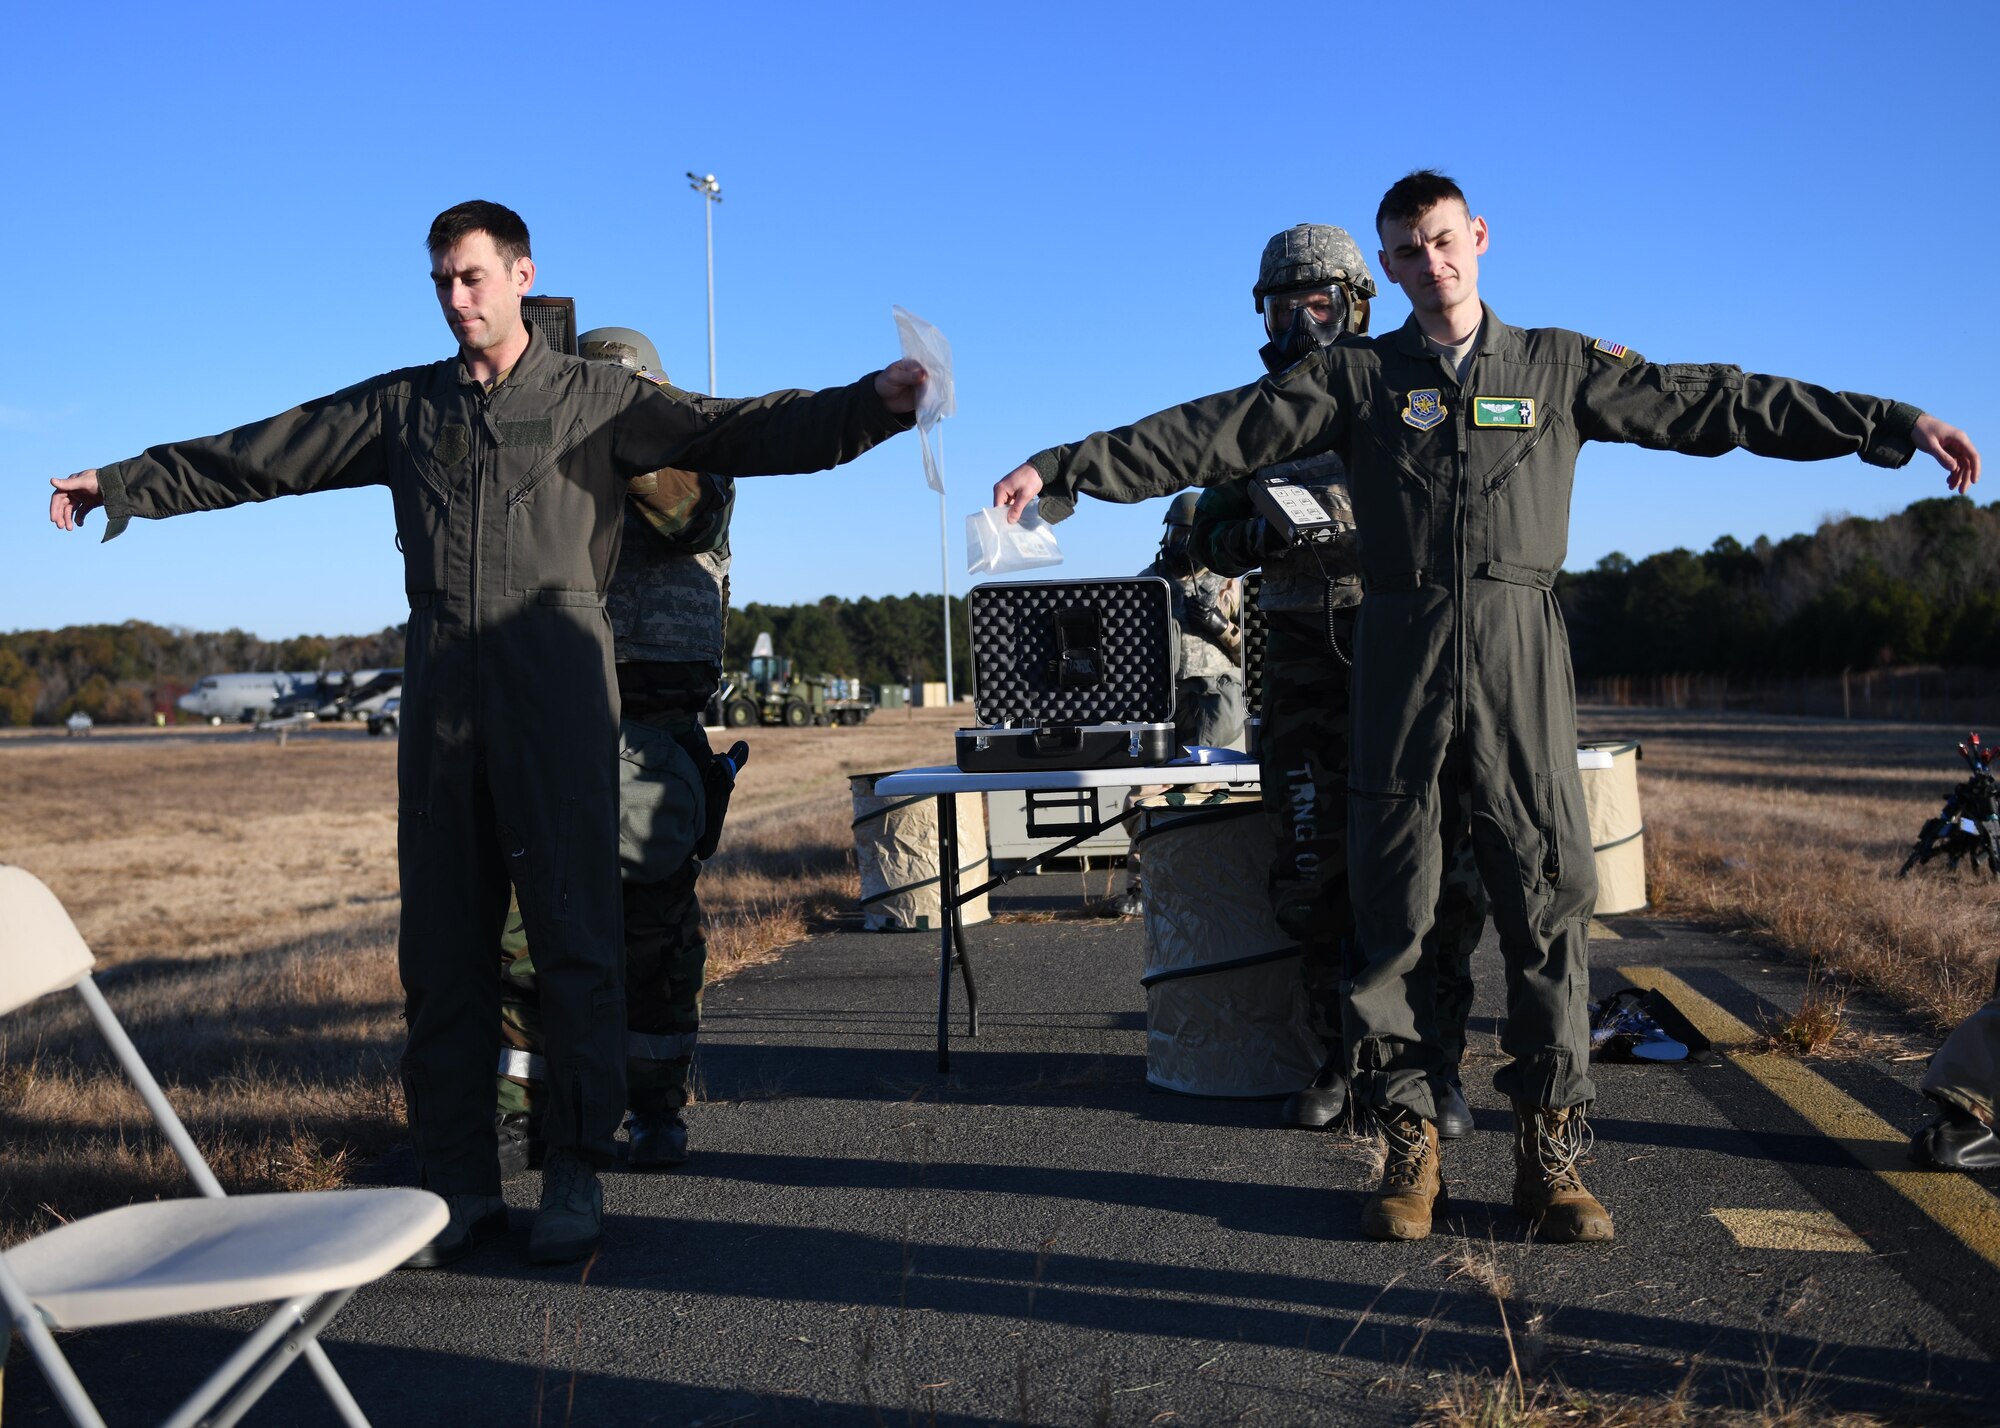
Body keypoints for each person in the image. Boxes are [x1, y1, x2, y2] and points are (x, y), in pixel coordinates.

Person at [991, 171, 1979, 1244]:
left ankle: (1549, 1161)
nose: (1431, 264)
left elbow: (1716, 400)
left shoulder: (1555, 365)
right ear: (1390, 267)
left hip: (1519, 661)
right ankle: (1408, 1153)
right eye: (1407, 251)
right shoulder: (1360, 378)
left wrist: (1885, 423)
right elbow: (1209, 432)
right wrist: (1062, 468)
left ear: (1477, 239)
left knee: (1544, 915)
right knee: (1389, 920)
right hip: (1397, 662)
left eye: (1442, 242)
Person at [48, 200, 925, 1268]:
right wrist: (126, 484)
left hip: (557, 679)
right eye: (442, 284)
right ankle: (457, 1179)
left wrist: (870, 406)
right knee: (444, 952)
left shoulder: (597, 398)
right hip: (443, 692)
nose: (458, 300)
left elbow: (739, 428)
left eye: (473, 278)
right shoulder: (406, 407)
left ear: (521, 275)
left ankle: (572, 1169)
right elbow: (262, 455)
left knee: (575, 937)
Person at [1187, 224, 1483, 1139]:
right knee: (1314, 864)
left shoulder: (1407, 386)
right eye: (1285, 305)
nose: (1302, 321)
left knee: (1435, 871)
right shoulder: (1262, 411)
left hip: (1408, 650)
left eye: (1320, 302)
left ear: (1356, 302)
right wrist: (1256, 540)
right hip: (1300, 656)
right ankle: (1339, 1056)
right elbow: (1205, 532)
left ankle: (1437, 1066)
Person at [495, 326, 741, 1176]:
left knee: (655, 941)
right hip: (557, 721)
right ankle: (518, 1110)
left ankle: (657, 1112)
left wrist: (599, 431)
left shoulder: (695, 457)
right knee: (523, 931)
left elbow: (686, 518)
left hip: (652, 740)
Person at [1143, 491, 1245, 751]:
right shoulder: (1148, 584)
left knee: (1203, 777)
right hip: (1165, 697)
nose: (1184, 544)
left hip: (1214, 699)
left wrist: (1222, 628)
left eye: (1191, 535)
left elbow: (1253, 656)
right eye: (1178, 534)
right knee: (1149, 785)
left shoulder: (1228, 584)